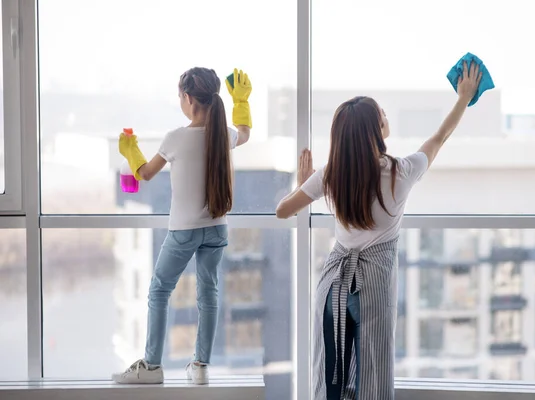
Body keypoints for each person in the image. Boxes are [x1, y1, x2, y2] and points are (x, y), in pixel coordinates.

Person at [276, 62, 482, 399]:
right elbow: (439, 137)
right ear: (373, 129)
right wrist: (463, 98)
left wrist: (305, 184)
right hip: (372, 290)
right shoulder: (401, 172)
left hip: (332, 288)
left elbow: (283, 211)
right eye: (381, 114)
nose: (385, 117)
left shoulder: (330, 175)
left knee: (330, 382)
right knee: (373, 384)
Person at [112, 67, 253, 385]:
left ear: (188, 99)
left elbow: (145, 173)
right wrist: (241, 101)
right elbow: (244, 132)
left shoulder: (176, 137)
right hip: (217, 228)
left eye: (180, 96)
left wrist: (130, 149)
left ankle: (151, 366)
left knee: (159, 291)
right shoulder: (223, 134)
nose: (180, 101)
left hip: (183, 232)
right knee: (208, 293)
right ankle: (200, 366)